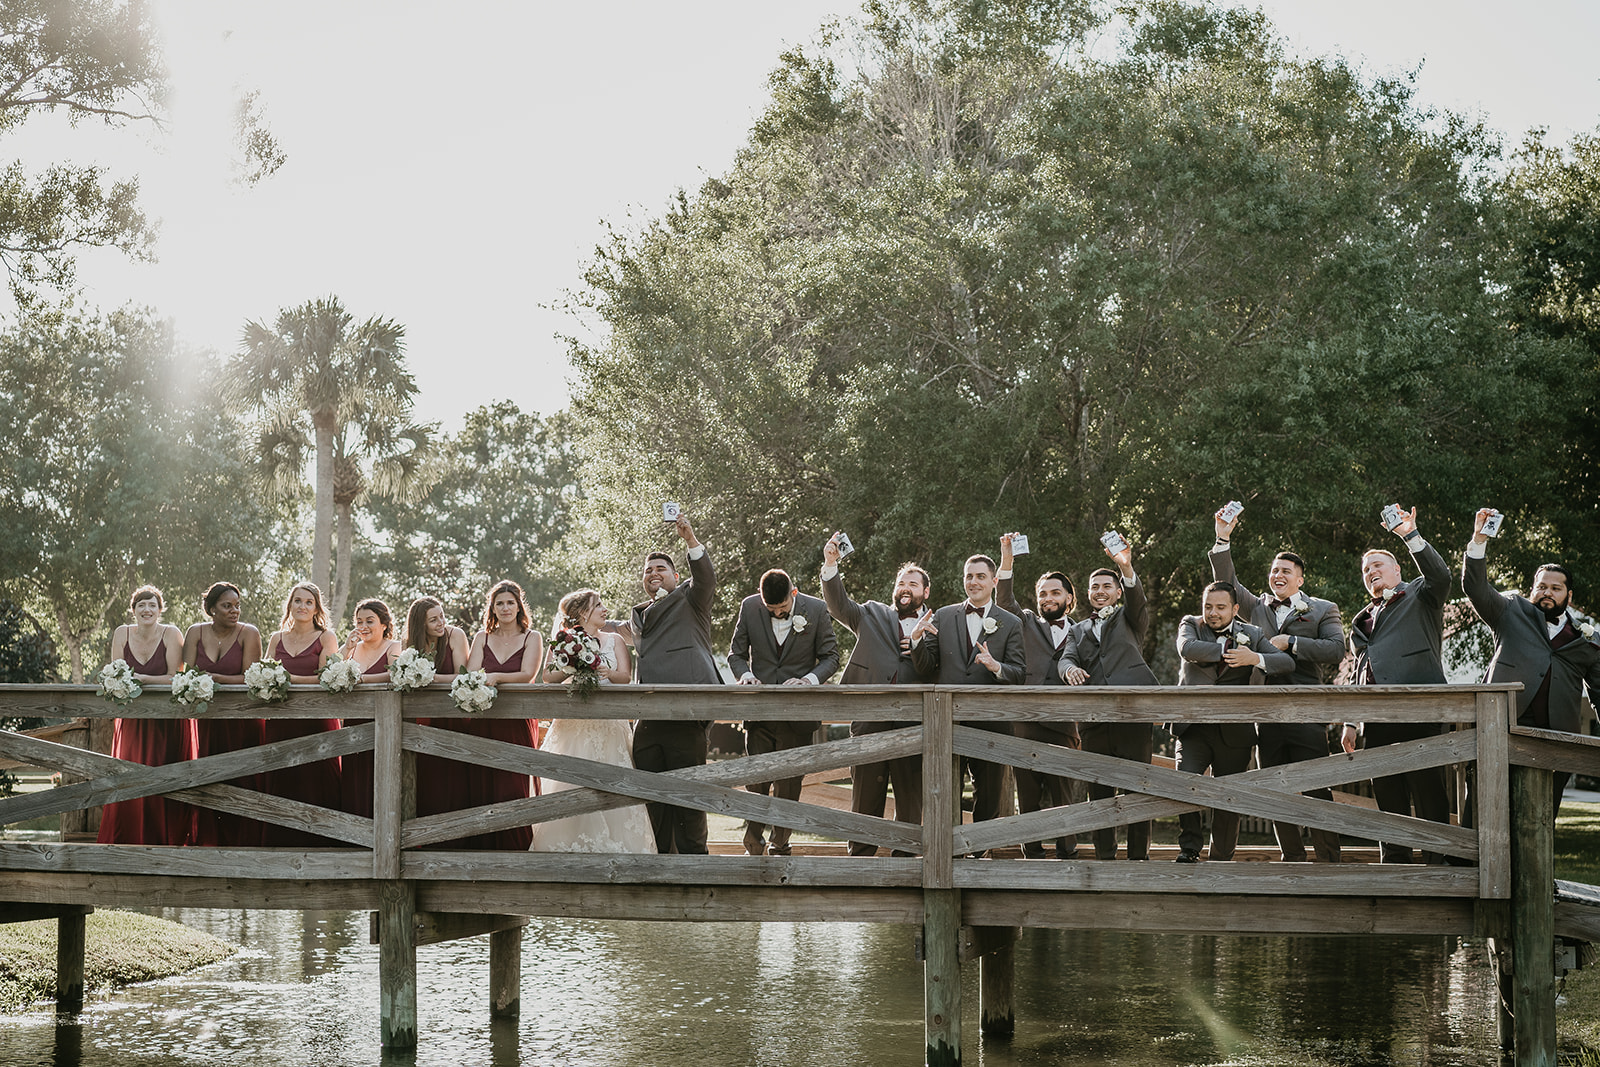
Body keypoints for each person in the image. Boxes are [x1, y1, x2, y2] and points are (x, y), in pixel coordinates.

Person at [1211, 508, 1347, 863]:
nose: (1278, 575)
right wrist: (1223, 538)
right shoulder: (1254, 607)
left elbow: (1336, 650)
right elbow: (1226, 580)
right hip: (1265, 710)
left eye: (1286, 571)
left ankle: (1329, 860)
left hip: (1307, 710)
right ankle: (1293, 858)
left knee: (1317, 786)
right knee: (1274, 788)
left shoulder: (1322, 609)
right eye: (1274, 570)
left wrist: (1292, 643)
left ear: (1300, 579)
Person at [1462, 509, 1600, 816]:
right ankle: (1462, 863)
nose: (1547, 593)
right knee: (1483, 810)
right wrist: (1479, 540)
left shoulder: (1587, 639)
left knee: (1539, 819)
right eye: (1541, 587)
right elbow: (1475, 588)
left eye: (1555, 588)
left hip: (1558, 740)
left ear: (1568, 595)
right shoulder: (1510, 610)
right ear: (1531, 590)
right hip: (1500, 725)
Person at [1341, 506, 1452, 864]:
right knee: (1387, 791)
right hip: (1377, 716)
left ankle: (1438, 863)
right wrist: (1351, 721)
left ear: (1397, 569)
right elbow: (1360, 671)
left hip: (1419, 708)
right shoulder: (1360, 621)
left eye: (1378, 565)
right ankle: (1396, 862)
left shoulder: (1422, 595)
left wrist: (1409, 535)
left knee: (1428, 789)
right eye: (1366, 570)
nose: (1371, 572)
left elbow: (1441, 576)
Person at [820, 536, 932, 856]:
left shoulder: (936, 624)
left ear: (925, 591)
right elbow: (837, 605)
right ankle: (860, 857)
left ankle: (907, 857)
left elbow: (933, 668)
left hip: (914, 721)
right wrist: (831, 565)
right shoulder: (871, 613)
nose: (905, 587)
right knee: (866, 793)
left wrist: (920, 640)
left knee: (911, 795)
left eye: (912, 582)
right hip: (869, 718)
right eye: (901, 582)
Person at [619, 513, 720, 855]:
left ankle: (696, 870)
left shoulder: (692, 600)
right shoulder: (638, 616)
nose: (653, 574)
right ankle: (658, 868)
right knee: (651, 802)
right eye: (648, 571)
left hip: (685, 713)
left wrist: (690, 540)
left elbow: (705, 577)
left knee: (689, 801)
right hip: (646, 719)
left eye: (661, 569)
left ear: (676, 577)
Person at [910, 553, 1025, 849]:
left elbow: (1020, 673)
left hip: (990, 723)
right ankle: (948, 854)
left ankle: (979, 852)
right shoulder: (944, 616)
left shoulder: (1010, 622)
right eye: (969, 576)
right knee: (944, 790)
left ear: (994, 581)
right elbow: (926, 667)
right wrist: (916, 640)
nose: (973, 582)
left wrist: (996, 667)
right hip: (946, 720)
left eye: (980, 576)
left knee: (988, 794)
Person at [529, 589, 654, 853]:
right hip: (573, 724)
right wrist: (570, 665)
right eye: (598, 605)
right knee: (570, 782)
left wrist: (609, 672)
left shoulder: (615, 640)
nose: (604, 609)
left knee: (613, 783)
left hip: (609, 725)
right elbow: (547, 678)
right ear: (583, 612)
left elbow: (625, 677)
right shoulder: (563, 640)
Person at [1173, 582, 1291, 862]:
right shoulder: (1190, 624)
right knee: (1184, 783)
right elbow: (1186, 648)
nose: (1212, 613)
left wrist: (1255, 657)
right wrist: (1228, 648)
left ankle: (1221, 858)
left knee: (1228, 797)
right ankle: (1189, 849)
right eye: (1208, 607)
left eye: (1220, 607)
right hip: (1193, 726)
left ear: (1235, 609)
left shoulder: (1252, 634)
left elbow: (1286, 664)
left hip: (1235, 729)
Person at [728, 568, 840, 856]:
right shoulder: (749, 607)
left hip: (796, 714)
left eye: (782, 608)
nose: (777, 613)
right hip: (759, 713)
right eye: (771, 608)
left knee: (789, 784)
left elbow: (831, 656)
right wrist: (745, 675)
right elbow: (736, 655)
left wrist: (808, 681)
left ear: (794, 593)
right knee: (756, 780)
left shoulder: (815, 609)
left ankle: (781, 844)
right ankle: (753, 844)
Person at [1059, 539, 1159, 860]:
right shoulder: (1078, 630)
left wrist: (1125, 566)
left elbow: (1136, 596)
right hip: (1094, 721)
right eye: (1094, 587)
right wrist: (1070, 669)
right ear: (1088, 594)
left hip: (1133, 716)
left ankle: (1138, 858)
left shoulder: (1132, 619)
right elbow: (1065, 658)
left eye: (1107, 586)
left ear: (1117, 592)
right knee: (1099, 792)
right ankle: (1104, 857)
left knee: (1138, 789)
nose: (1100, 590)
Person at [996, 534, 1082, 860]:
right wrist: (1007, 560)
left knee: (1064, 799)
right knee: (1028, 799)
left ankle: (1067, 858)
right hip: (1026, 723)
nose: (1048, 598)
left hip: (1065, 725)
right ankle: (1031, 858)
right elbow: (1004, 600)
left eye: (1055, 592)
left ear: (1069, 598)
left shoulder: (1083, 631)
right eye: (1042, 593)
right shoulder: (1026, 623)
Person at [97, 586, 187, 845]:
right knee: (130, 772)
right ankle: (129, 837)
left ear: (160, 610)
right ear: (133, 610)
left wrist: (142, 679)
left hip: (166, 721)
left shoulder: (172, 634)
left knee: (162, 773)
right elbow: (116, 675)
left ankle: (164, 839)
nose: (147, 610)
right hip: (133, 721)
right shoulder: (121, 634)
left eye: (152, 605)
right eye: (141, 605)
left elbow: (174, 677)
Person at [462, 579, 545, 850]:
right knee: (481, 783)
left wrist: (496, 676)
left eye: (510, 602)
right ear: (492, 608)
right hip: (482, 719)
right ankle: (482, 848)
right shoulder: (481, 638)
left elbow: (528, 675)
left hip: (516, 720)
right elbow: (472, 673)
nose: (505, 607)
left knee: (512, 786)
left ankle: (516, 850)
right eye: (500, 603)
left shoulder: (532, 637)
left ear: (519, 606)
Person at [260, 582, 343, 845]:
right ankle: (279, 843)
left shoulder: (326, 637)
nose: (303, 606)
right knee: (281, 782)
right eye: (298, 601)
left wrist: (286, 678)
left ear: (316, 607)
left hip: (315, 721)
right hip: (280, 721)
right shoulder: (276, 638)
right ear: (290, 605)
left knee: (316, 781)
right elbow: (264, 673)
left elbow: (325, 679)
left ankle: (321, 842)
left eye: (309, 602)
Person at [184, 581, 265, 847]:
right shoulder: (194, 632)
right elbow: (186, 675)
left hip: (242, 720)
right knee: (207, 776)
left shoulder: (248, 633)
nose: (234, 611)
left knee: (242, 777)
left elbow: (250, 679)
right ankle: (209, 841)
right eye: (227, 606)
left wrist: (214, 676)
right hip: (207, 721)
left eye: (237, 606)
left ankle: (244, 841)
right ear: (211, 610)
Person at [406, 595, 474, 828]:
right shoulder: (411, 642)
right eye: (433, 620)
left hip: (452, 717)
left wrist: (429, 678)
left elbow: (463, 674)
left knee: (452, 778)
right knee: (426, 778)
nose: (440, 622)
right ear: (420, 624)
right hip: (421, 721)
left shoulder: (455, 635)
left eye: (442, 616)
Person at [337, 597, 401, 821]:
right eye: (359, 621)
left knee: (381, 774)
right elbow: (331, 668)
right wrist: (346, 647)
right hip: (355, 721)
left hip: (383, 720)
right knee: (355, 775)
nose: (363, 626)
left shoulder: (394, 646)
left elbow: (394, 673)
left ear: (384, 623)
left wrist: (361, 680)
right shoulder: (354, 650)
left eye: (370, 621)